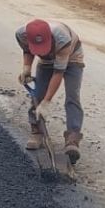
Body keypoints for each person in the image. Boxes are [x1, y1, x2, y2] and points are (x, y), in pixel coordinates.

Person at [15, 18, 85, 163]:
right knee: (38, 94)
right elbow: (27, 50)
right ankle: (37, 131)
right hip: (46, 62)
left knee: (72, 96)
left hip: (72, 57)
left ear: (50, 38)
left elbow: (58, 73)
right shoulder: (22, 34)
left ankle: (72, 140)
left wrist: (46, 102)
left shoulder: (62, 38)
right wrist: (26, 68)